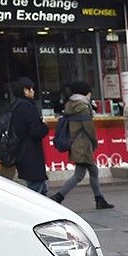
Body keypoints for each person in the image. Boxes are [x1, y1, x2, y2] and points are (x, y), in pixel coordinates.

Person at [50, 81, 114, 210]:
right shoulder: (83, 106)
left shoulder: (71, 104)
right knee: (79, 175)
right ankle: (58, 197)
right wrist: (95, 141)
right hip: (82, 145)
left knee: (92, 171)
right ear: (85, 92)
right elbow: (89, 127)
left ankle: (99, 199)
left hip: (76, 144)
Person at [8, 77, 50, 195]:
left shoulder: (15, 106)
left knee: (38, 187)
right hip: (30, 153)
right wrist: (44, 126)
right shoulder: (28, 107)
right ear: (25, 91)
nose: (33, 91)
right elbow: (36, 131)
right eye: (31, 89)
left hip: (20, 151)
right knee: (37, 189)